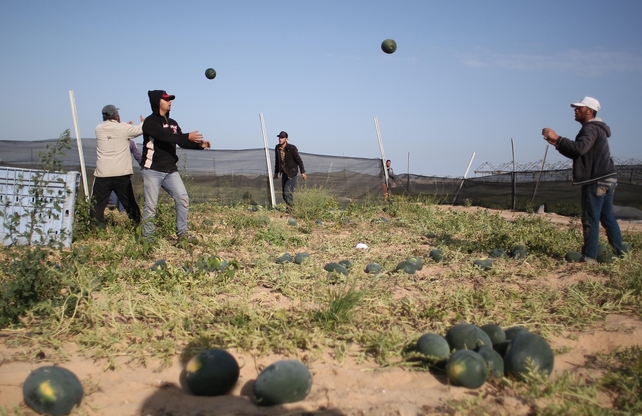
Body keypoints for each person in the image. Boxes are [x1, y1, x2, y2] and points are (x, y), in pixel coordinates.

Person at [542, 96, 624, 261]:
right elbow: (578, 153)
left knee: (590, 218)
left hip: (596, 180)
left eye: (580, 108)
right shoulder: (598, 129)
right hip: (608, 178)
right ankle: (622, 254)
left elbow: (579, 149)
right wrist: (558, 144)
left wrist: (558, 138)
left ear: (590, 111)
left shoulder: (590, 128)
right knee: (608, 218)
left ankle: (589, 258)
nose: (576, 110)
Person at [140, 90, 210, 244]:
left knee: (183, 199)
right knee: (151, 206)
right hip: (152, 169)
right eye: (166, 99)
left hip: (170, 170)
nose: (170, 102)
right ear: (158, 102)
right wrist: (186, 136)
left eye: (170, 99)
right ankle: (148, 240)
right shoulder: (150, 122)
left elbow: (181, 142)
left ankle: (182, 234)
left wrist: (199, 145)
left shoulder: (173, 123)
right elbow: (164, 137)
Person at [91, 104, 144, 227]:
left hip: (103, 173)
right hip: (121, 173)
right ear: (117, 116)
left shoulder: (98, 129)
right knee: (129, 202)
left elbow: (113, 132)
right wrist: (142, 123)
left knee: (97, 204)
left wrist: (124, 126)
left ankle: (96, 228)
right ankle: (137, 226)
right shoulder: (124, 128)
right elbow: (139, 130)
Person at [273, 131, 306, 210]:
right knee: (284, 194)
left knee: (288, 192)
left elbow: (299, 161)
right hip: (284, 173)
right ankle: (290, 208)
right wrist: (276, 172)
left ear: (286, 139)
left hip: (292, 173)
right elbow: (277, 161)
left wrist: (303, 172)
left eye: (282, 138)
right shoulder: (277, 148)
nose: (280, 139)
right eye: (279, 137)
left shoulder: (291, 148)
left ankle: (291, 210)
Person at [108, 139, 142, 211]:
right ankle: (122, 209)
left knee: (111, 185)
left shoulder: (111, 140)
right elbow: (138, 156)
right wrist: (144, 167)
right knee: (124, 190)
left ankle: (112, 202)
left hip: (111, 167)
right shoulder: (131, 142)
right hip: (124, 170)